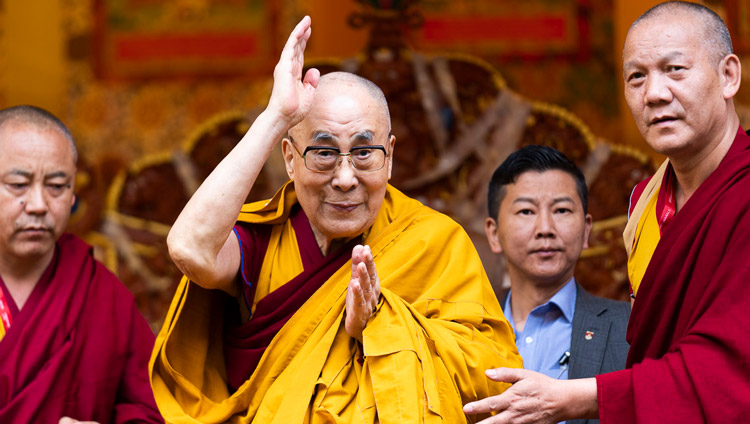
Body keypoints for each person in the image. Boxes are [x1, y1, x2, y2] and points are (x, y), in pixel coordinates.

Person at [149, 16, 522, 423]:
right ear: (290, 158)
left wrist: (380, 323)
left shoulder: (434, 243)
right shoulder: (264, 244)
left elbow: (492, 380)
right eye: (324, 153)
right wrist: (276, 117)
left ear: (390, 156)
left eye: (364, 153)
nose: (345, 179)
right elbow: (190, 249)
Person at [463, 2, 750, 422]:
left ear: (728, 75)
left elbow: (729, 369)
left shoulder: (741, 193)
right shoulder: (646, 201)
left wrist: (579, 396)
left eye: (675, 70)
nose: (654, 93)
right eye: (637, 77)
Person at [0, 105, 162, 423]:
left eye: (57, 187)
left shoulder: (100, 292)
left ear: (74, 194)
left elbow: (154, 409)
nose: (38, 205)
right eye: (18, 185)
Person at [484, 145, 630, 424]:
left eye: (562, 210)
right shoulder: (465, 328)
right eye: (526, 211)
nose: (545, 228)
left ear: (586, 230)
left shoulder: (629, 329)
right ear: (494, 234)